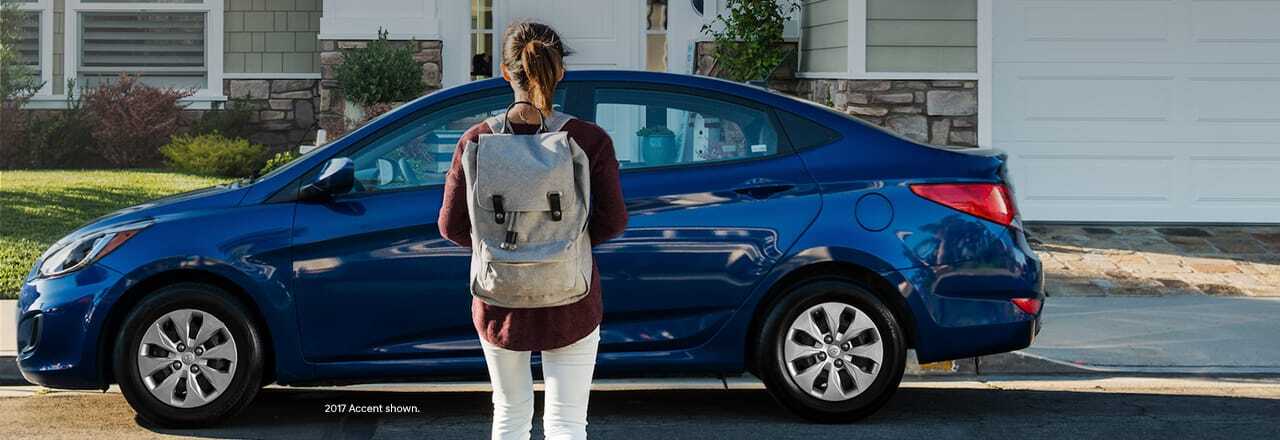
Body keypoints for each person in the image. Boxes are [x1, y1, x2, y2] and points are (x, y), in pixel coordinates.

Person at [438, 21, 628, 440]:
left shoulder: (476, 140)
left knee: (509, 414)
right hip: (570, 295)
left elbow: (451, 226)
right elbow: (613, 219)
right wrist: (563, 244)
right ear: (559, 71)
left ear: (506, 72)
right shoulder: (588, 140)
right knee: (566, 422)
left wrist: (503, 247)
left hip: (499, 296)